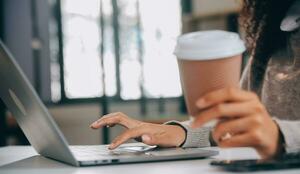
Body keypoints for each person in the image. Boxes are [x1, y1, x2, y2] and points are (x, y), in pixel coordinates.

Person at [90, 0, 300, 159]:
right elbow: (238, 126)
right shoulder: (272, 37)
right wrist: (179, 132)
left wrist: (281, 137)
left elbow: (268, 132)